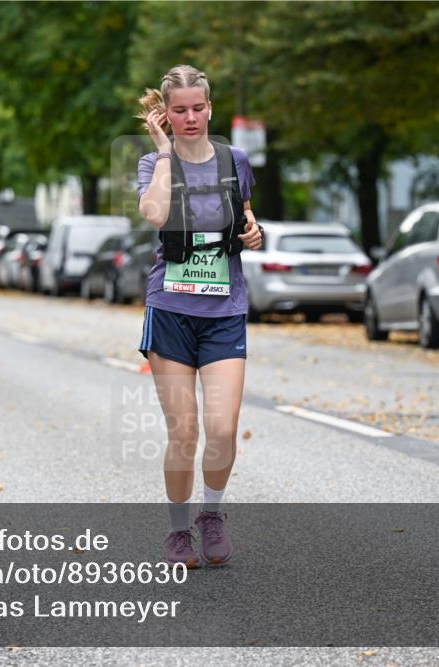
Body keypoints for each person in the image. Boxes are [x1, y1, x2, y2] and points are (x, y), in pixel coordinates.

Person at [135, 65, 263, 568]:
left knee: (223, 428)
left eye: (198, 107)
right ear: (166, 115)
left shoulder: (235, 160)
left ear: (210, 108)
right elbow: (154, 215)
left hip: (224, 310)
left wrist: (254, 233)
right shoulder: (153, 163)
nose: (190, 117)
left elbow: (245, 215)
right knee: (184, 432)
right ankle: (177, 531)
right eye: (180, 110)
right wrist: (165, 153)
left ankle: (211, 514)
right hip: (170, 309)